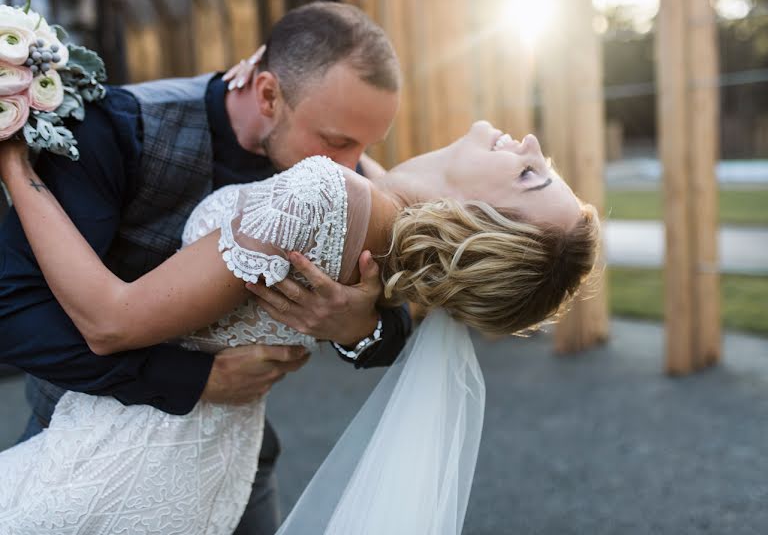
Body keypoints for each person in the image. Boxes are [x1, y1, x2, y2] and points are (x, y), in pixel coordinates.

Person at [0, 119, 600, 534]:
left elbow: (110, 321)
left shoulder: (327, 194)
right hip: (208, 470)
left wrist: (15, 163)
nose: (528, 142)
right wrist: (360, 328)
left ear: (479, 222)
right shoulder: (385, 238)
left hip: (127, 469)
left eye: (530, 176)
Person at [0, 1, 412, 534]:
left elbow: (392, 324)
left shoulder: (338, 177)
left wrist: (356, 325)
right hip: (83, 452)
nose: (353, 167)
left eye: (366, 146)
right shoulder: (116, 130)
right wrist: (194, 378)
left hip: (233, 463)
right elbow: (13, 311)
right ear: (267, 93)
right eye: (337, 142)